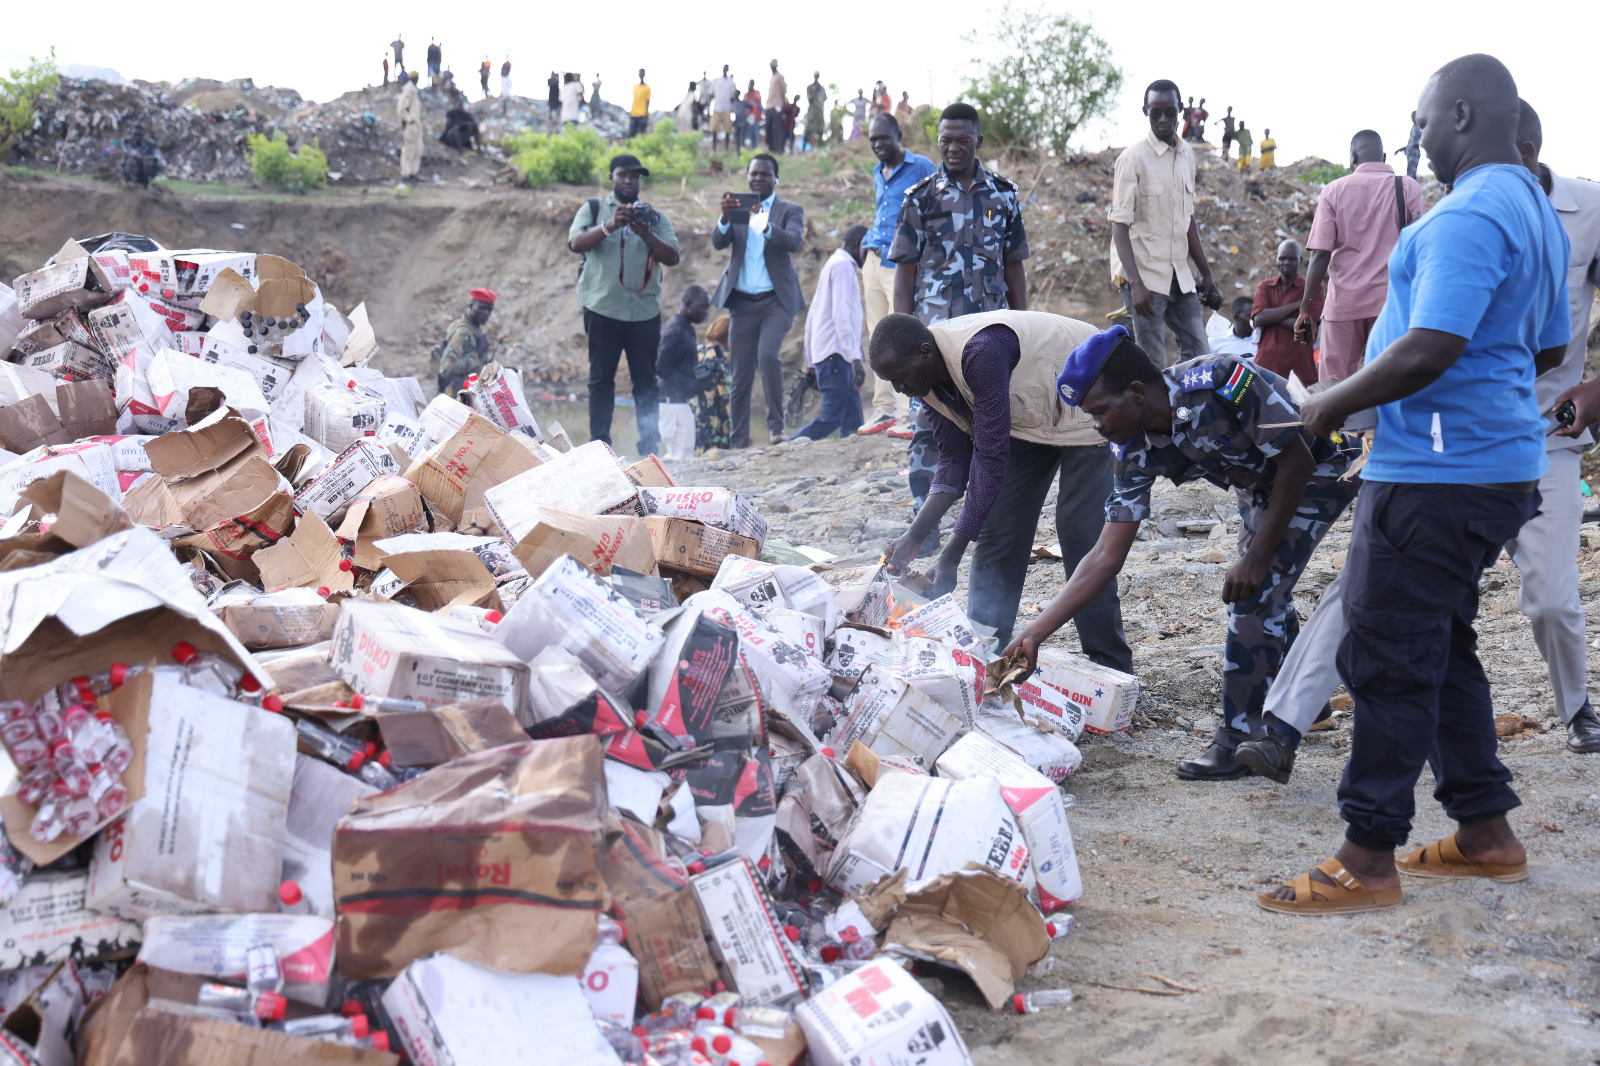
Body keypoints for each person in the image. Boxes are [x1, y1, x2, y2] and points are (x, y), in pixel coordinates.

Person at [1260, 54, 1570, 916]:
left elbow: (1433, 346)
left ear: (1463, 115)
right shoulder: (1535, 210)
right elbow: (1543, 349)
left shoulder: (1470, 213)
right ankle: (1484, 831)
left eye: (1424, 123)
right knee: (1442, 643)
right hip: (1495, 463)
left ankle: (1366, 856)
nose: (1416, 140)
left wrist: (1325, 403)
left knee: (1385, 654)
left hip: (1437, 471)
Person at [1004, 324, 1357, 780]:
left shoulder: (1220, 382)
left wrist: (1254, 558)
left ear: (1135, 392)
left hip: (1320, 467)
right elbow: (1105, 555)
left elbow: (1297, 461)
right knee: (1263, 587)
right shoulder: (1132, 447)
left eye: (1098, 411)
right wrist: (1034, 635)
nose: (1097, 425)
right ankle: (1309, 700)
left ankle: (1236, 741)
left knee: (1252, 590)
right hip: (1261, 489)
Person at [870, 310, 1132, 664]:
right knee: (998, 530)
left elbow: (990, 459)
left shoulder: (981, 351)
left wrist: (950, 556)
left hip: (1086, 395)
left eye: (901, 378)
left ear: (925, 353)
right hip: (1030, 416)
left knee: (1080, 532)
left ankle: (1110, 663)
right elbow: (953, 464)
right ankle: (983, 657)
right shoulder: (924, 382)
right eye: (892, 383)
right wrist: (914, 536)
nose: (901, 390)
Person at [889, 102, 1030, 524]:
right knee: (930, 423)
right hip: (932, 337)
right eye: (945, 141)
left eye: (962, 140)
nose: (952, 148)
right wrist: (900, 333)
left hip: (990, 331)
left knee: (994, 420)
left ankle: (992, 513)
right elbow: (905, 272)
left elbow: (1014, 266)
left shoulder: (1004, 196)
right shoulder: (921, 198)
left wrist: (1024, 325)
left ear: (978, 142)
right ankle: (925, 516)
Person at [568, 154, 682, 457]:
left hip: (644, 312)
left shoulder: (655, 217)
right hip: (602, 308)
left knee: (646, 382)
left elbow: (672, 257)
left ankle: (649, 448)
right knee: (600, 380)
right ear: (612, 178)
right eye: (623, 175)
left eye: (635, 176)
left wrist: (647, 233)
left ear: (641, 181)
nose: (629, 181)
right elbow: (575, 244)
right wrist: (610, 225)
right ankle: (600, 448)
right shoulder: (593, 209)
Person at [1109, 79, 1223, 368]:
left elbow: (1188, 220)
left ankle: (1187, 412)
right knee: (1153, 361)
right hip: (1144, 276)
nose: (1163, 119)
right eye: (1155, 112)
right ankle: (1158, 413)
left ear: (1180, 111)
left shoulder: (1187, 155)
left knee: (1201, 355)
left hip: (1180, 275)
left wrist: (1206, 274)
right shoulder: (1132, 158)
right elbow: (1119, 225)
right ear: (1145, 111)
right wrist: (1135, 285)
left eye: (1169, 112)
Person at [1294, 130, 1425, 382]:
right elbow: (1421, 248)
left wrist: (1306, 308)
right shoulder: (1407, 187)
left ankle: (1333, 423)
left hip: (1343, 305)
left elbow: (1321, 255)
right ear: (1384, 157)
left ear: (1353, 158)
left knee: (1332, 386)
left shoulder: (1333, 191)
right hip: (1391, 304)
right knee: (1392, 384)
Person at [712, 154, 806, 448]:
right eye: (754, 174)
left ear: (776, 179)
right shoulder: (737, 207)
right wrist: (726, 218)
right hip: (741, 301)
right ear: (747, 176)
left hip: (775, 301)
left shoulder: (789, 209)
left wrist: (765, 225)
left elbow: (794, 241)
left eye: (765, 174)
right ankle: (738, 439)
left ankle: (777, 429)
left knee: (767, 356)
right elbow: (718, 242)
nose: (758, 179)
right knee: (739, 374)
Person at [858, 114, 936, 434]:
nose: (878, 145)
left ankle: (909, 412)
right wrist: (866, 245)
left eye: (884, 138)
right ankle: (883, 410)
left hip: (902, 263)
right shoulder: (878, 172)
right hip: (874, 259)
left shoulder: (921, 167)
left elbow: (937, 207)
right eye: (873, 140)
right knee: (876, 335)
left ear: (899, 136)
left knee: (902, 335)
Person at [797, 225, 869, 440]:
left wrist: (810, 360)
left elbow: (813, 314)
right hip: (836, 355)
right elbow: (841, 315)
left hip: (830, 354)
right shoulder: (843, 266)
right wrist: (855, 357)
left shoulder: (833, 264)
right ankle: (789, 447)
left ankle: (852, 465)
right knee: (832, 417)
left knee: (853, 421)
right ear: (859, 245)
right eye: (870, 249)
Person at [1252, 239, 1321, 382]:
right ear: (1276, 259)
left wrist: (1272, 315)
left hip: (1299, 370)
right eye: (1282, 258)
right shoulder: (1265, 286)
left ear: (1300, 260)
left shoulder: (1313, 288)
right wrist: (1297, 305)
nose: (1286, 263)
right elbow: (1258, 319)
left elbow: (1307, 326)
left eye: (1291, 259)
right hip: (1266, 365)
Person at [657, 286, 712, 459]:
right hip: (673, 404)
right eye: (703, 307)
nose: (706, 313)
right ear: (688, 304)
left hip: (678, 402)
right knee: (681, 457)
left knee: (682, 455)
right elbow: (661, 368)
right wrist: (693, 384)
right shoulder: (676, 331)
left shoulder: (685, 327)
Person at [436, 289, 496, 395]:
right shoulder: (462, 332)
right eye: (481, 308)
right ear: (471, 306)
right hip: (456, 399)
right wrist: (477, 354)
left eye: (489, 310)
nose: (486, 313)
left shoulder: (475, 331)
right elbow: (446, 369)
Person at [695, 315, 734, 451]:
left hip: (695, 418)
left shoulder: (697, 351)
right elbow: (727, 396)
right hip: (717, 424)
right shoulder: (724, 357)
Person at [397, 73, 423, 180]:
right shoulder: (408, 90)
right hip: (411, 125)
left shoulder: (414, 90)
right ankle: (406, 174)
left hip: (416, 125)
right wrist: (409, 120)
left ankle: (413, 173)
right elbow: (401, 109)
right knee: (409, 150)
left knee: (418, 150)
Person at [710, 66, 739, 153]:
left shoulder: (731, 83)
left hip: (727, 109)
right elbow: (711, 95)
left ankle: (726, 150)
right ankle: (713, 149)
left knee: (727, 130)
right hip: (717, 109)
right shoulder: (716, 81)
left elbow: (733, 97)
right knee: (714, 129)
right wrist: (708, 109)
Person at [765, 61, 787, 153]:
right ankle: (771, 149)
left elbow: (783, 91)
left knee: (776, 129)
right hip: (769, 107)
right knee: (769, 129)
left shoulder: (780, 77)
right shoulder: (772, 77)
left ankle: (778, 150)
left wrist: (782, 105)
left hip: (777, 106)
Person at [804, 74, 827, 151]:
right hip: (812, 113)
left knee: (820, 131)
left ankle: (820, 149)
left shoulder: (822, 88)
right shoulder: (810, 87)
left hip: (820, 112)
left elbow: (825, 98)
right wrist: (816, 90)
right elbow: (810, 98)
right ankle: (804, 149)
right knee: (809, 130)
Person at [630, 70, 651, 137]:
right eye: (640, 73)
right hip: (634, 113)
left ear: (644, 74)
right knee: (631, 133)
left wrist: (646, 115)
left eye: (642, 73)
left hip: (642, 114)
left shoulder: (647, 88)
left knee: (641, 134)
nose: (641, 75)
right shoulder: (636, 87)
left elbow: (648, 102)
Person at [743, 81, 763, 149]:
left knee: (755, 134)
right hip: (748, 117)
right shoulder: (746, 95)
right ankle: (748, 149)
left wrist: (752, 93)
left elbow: (759, 99)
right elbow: (745, 104)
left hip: (756, 116)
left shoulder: (756, 92)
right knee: (749, 134)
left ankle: (754, 149)